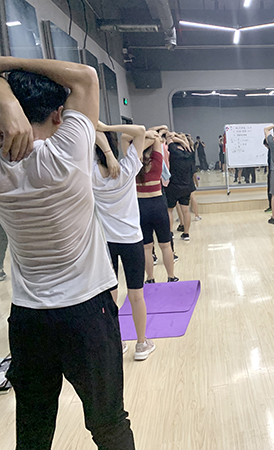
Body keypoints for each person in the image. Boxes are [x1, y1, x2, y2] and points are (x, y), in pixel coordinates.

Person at [0, 57, 135, 449]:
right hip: (86, 314)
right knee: (109, 425)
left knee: (33, 431)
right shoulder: (67, 152)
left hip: (28, 319)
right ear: (58, 115)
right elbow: (86, 78)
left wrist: (5, 95)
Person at [92, 121, 156, 361]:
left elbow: (93, 136)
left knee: (110, 296)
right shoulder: (128, 167)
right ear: (114, 146)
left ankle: (116, 343)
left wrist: (104, 148)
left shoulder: (90, 173)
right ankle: (141, 344)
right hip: (132, 241)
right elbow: (140, 131)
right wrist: (107, 127)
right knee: (136, 294)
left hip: (106, 243)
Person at [137, 132, 178, 283]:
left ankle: (150, 278)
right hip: (158, 204)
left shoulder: (134, 161)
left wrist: (141, 137)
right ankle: (171, 277)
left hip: (141, 206)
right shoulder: (157, 161)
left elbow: (125, 138)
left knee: (147, 248)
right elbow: (156, 138)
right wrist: (149, 135)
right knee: (166, 245)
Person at [165, 132, 196, 241]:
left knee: (169, 210)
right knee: (186, 211)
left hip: (173, 186)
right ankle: (186, 234)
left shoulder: (173, 150)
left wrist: (173, 136)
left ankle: (170, 233)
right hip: (186, 186)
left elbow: (169, 139)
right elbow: (186, 143)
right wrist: (181, 139)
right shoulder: (189, 152)